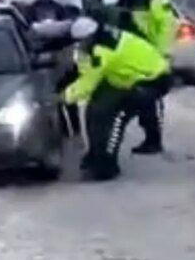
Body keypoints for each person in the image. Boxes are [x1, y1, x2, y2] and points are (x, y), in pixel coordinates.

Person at [62, 17, 172, 181]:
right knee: (95, 108)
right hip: (126, 76)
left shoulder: (103, 50)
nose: (78, 46)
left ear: (89, 37)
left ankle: (107, 166)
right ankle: (96, 154)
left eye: (80, 42)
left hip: (152, 80)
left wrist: (63, 97)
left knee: (117, 117)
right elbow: (89, 71)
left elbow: (89, 82)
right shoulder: (102, 37)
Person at [80, 0, 169, 155]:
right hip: (110, 68)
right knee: (100, 110)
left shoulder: (117, 16)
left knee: (143, 105)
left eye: (92, 2)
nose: (90, 6)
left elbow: (134, 37)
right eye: (86, 3)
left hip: (132, 65)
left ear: (100, 1)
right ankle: (99, 151)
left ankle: (152, 139)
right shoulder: (85, 21)